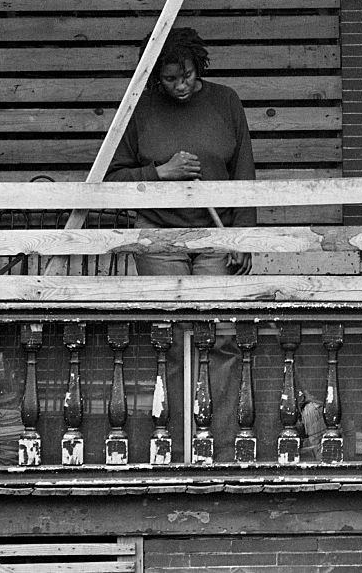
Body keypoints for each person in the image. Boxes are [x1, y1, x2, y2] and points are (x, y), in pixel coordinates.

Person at [105, 27, 256, 461]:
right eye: (169, 78)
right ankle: (179, 441)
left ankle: (220, 444)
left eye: (186, 74)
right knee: (172, 338)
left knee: (221, 336)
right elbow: (111, 180)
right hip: (159, 238)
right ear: (156, 77)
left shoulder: (226, 102)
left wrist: (241, 236)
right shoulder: (140, 108)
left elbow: (244, 175)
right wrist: (158, 173)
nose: (180, 85)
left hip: (214, 237)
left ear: (198, 65)